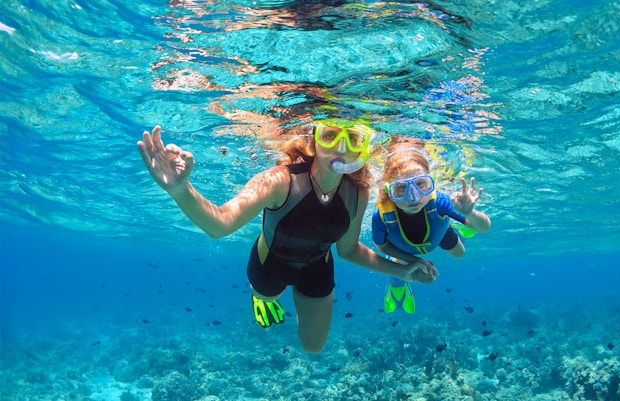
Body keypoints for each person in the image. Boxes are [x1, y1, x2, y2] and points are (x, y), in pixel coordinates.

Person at [137, 121, 437, 353]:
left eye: (353, 139)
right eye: (330, 136)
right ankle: (261, 297)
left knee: (313, 346)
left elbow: (348, 251)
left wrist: (403, 271)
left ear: (362, 148)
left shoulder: (358, 193)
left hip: (318, 267)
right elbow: (220, 224)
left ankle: (293, 309)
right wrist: (180, 190)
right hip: (270, 263)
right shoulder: (280, 180)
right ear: (314, 140)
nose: (341, 148)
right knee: (267, 296)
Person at [371, 136, 491, 314]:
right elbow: (381, 246)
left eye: (421, 185)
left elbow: (484, 228)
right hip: (403, 249)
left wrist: (469, 213)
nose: (413, 197)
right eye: (401, 189)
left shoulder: (440, 201)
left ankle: (458, 221)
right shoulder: (381, 215)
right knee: (400, 265)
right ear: (389, 191)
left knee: (459, 254)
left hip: (438, 232)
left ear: (431, 183)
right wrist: (415, 261)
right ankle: (397, 286)